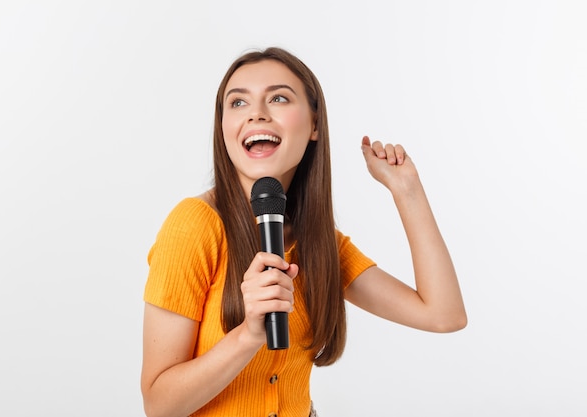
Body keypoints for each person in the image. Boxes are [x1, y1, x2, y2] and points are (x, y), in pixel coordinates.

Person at [140, 47, 467, 417]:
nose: (257, 113)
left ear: (314, 124)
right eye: (238, 103)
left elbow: (444, 315)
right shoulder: (193, 226)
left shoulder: (319, 241)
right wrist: (248, 335)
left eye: (278, 98)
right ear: (223, 128)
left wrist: (407, 191)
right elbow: (159, 405)